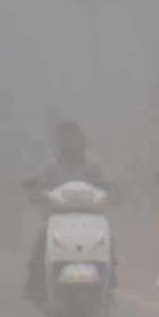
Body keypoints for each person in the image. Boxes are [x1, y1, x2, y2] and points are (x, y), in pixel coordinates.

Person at [25, 122, 113, 303]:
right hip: (56, 219)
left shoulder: (93, 166)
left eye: (74, 140)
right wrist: (35, 193)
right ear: (60, 143)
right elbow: (37, 184)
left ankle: (110, 283)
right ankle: (34, 284)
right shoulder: (50, 167)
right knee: (40, 244)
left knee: (109, 244)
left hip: (91, 220)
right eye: (66, 140)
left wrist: (112, 192)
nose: (71, 145)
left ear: (82, 142)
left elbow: (107, 184)